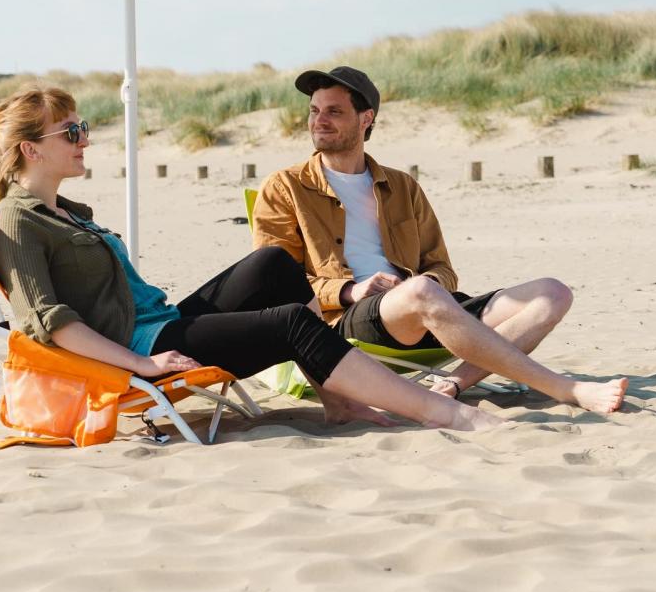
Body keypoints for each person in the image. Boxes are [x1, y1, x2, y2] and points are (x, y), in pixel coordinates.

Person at [0, 86, 505, 434]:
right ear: (32, 149)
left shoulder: (69, 212)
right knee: (291, 321)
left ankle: (338, 401)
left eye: (85, 129)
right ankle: (443, 412)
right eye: (73, 132)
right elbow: (48, 324)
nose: (87, 141)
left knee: (272, 265)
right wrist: (144, 367)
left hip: (162, 321)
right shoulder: (18, 219)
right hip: (139, 346)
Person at [252, 66, 628, 415]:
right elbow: (276, 288)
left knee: (553, 292)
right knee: (419, 294)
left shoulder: (402, 186)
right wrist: (350, 290)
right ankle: (565, 388)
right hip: (347, 321)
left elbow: (441, 267)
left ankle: (452, 382)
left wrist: (430, 285)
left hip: (427, 310)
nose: (319, 121)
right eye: (314, 110)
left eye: (334, 111)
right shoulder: (285, 187)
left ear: (366, 120)